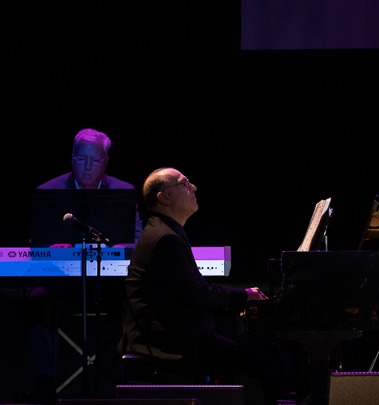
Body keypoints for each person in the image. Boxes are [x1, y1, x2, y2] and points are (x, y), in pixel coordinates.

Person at [121, 168, 284, 405]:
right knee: (252, 360)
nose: (193, 187)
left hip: (174, 334)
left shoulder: (165, 231)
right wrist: (245, 297)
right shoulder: (164, 238)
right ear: (164, 197)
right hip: (165, 343)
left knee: (248, 356)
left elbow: (192, 290)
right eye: (184, 183)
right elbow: (197, 294)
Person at [26, 128, 142, 403]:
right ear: (72, 157)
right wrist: (50, 252)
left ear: (106, 162)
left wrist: (121, 248)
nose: (88, 167)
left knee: (139, 298)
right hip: (64, 289)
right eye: (81, 159)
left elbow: (138, 241)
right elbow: (34, 247)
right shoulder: (48, 192)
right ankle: (45, 384)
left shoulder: (123, 192)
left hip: (110, 287)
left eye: (95, 161)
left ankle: (132, 378)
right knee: (38, 299)